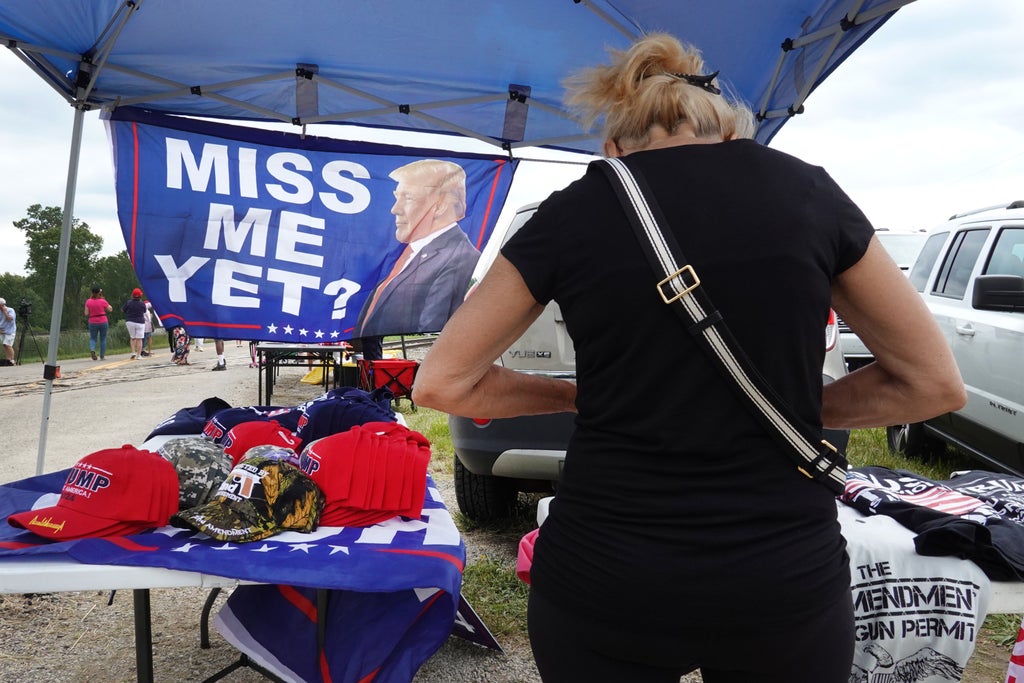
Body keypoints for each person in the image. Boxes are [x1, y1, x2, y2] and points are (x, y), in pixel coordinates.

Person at [412, 33, 966, 683]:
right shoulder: (808, 195)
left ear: (614, 146)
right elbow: (932, 383)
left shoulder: (572, 213)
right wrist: (802, 408)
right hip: (780, 576)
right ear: (730, 133)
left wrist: (568, 396)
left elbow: (444, 381)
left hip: (606, 576)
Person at [353, 159, 480, 338]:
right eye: (397, 197)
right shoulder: (408, 254)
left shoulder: (457, 257)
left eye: (408, 198)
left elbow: (432, 335)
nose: (395, 209)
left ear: (440, 206)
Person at [83, 287, 113, 360]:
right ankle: (102, 356)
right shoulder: (102, 301)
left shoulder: (88, 301)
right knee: (103, 339)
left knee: (93, 338)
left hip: (92, 321)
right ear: (99, 293)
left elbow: (86, 313)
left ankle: (92, 349)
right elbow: (110, 309)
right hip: (103, 320)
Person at [121, 288, 147, 360]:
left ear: (132, 295)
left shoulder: (129, 302)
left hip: (130, 321)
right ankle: (139, 355)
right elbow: (144, 311)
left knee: (132, 338)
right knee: (139, 339)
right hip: (140, 322)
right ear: (140, 296)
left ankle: (133, 352)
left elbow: (122, 310)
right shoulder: (142, 303)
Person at [0, 297, 16, 366]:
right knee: (4, 345)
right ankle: (8, 360)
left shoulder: (10, 310)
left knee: (8, 345)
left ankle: (12, 360)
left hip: (10, 331)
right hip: (2, 331)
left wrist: (4, 312)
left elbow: (10, 319)